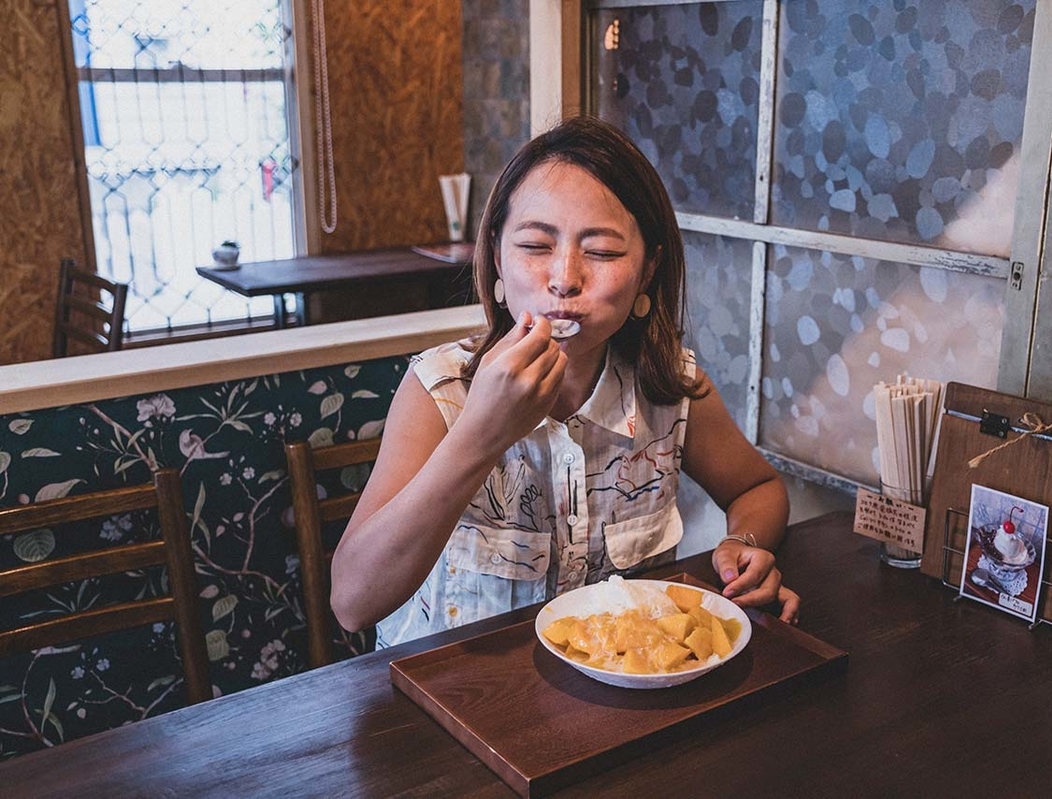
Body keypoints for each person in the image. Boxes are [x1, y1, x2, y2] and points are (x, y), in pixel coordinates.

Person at [330, 115, 800, 647]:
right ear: (498, 263)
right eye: (535, 246)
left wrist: (743, 543)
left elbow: (759, 489)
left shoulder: (671, 384)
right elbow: (353, 602)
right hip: (452, 696)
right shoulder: (441, 389)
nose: (563, 278)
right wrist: (481, 432)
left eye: (601, 252)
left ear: (647, 272)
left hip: (623, 694)